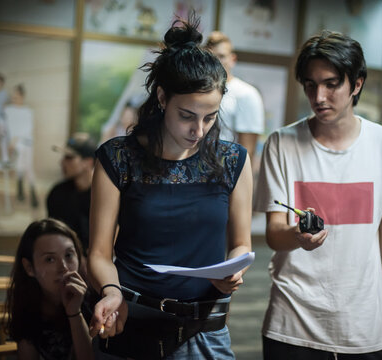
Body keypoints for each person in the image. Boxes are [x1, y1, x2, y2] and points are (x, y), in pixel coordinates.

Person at [87, 14, 253, 360]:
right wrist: (110, 291)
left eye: (211, 116)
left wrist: (234, 269)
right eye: (187, 115)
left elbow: (240, 245)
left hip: (204, 329)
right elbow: (100, 253)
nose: (200, 129)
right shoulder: (119, 157)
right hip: (129, 318)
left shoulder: (233, 160)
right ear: (162, 98)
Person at [253, 30, 382, 359]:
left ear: (356, 84)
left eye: (331, 83)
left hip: (365, 322)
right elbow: (273, 233)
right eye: (310, 85)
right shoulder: (282, 144)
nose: (319, 96)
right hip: (292, 322)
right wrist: (298, 236)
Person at [5, 218, 94, 360]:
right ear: (29, 267)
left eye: (69, 255)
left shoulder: (93, 296)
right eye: (50, 259)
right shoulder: (27, 301)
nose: (64, 267)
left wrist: (74, 313)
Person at [205, 31, 265, 163]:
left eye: (221, 56)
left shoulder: (247, 94)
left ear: (233, 59)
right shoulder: (200, 91)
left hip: (225, 175)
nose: (216, 61)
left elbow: (247, 153)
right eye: (211, 56)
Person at [47, 132, 96, 257]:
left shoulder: (106, 195)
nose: (62, 162)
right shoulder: (57, 194)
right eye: (64, 157)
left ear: (88, 162)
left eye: (69, 157)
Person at [5, 84, 39, 208]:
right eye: (13, 96)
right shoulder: (8, 110)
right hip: (15, 145)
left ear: (22, 96)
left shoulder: (28, 111)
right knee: (22, 165)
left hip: (26, 142)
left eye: (17, 95)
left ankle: (28, 193)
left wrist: (15, 139)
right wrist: (11, 142)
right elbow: (8, 128)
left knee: (27, 166)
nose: (14, 97)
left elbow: (28, 129)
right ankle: (23, 192)